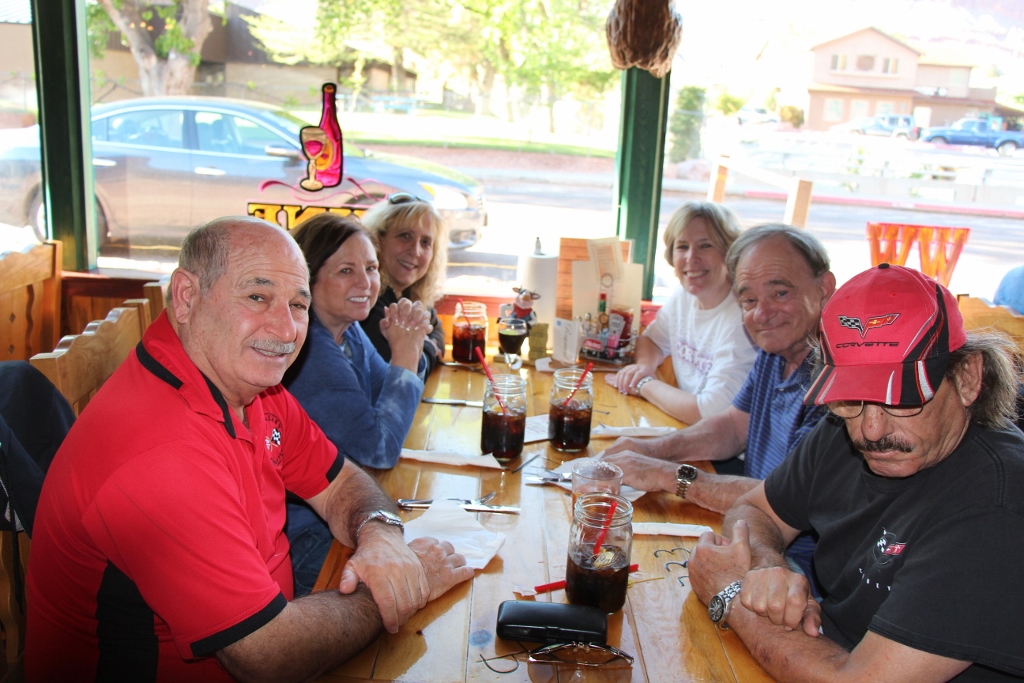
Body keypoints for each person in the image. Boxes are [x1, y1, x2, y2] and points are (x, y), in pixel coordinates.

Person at [25, 217, 473, 682]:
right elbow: (267, 656)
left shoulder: (254, 387)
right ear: (185, 297)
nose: (284, 329)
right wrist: (400, 585)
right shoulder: (159, 452)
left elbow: (342, 481)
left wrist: (381, 536)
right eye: (257, 297)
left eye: (299, 305)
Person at [689, 264, 1024, 682]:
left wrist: (731, 594)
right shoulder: (842, 427)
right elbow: (754, 510)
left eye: (901, 400)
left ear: (968, 377)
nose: (871, 430)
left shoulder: (996, 508)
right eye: (850, 399)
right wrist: (766, 567)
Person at [600, 223, 835, 583]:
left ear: (825, 288)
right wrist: (652, 450)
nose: (762, 313)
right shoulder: (777, 349)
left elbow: (781, 501)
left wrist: (664, 473)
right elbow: (733, 426)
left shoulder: (837, 386)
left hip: (795, 570)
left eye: (781, 293)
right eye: (749, 300)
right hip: (743, 531)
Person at [284, 213, 429, 472]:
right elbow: (379, 451)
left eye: (371, 269)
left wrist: (412, 345)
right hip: (303, 510)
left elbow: (387, 403)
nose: (365, 283)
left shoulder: (347, 330)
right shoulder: (310, 353)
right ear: (307, 279)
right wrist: (407, 354)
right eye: (346, 271)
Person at [605, 201, 756, 424]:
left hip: (725, 452)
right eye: (682, 246)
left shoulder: (742, 321)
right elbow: (652, 340)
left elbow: (709, 413)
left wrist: (643, 384)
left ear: (729, 252)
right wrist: (644, 368)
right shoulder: (684, 295)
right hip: (684, 426)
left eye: (705, 246)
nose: (691, 258)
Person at [360, 193, 448, 378]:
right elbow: (407, 374)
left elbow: (438, 330)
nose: (415, 251)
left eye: (425, 242)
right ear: (377, 241)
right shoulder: (366, 301)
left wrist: (426, 345)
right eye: (405, 236)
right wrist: (430, 348)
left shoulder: (408, 295)